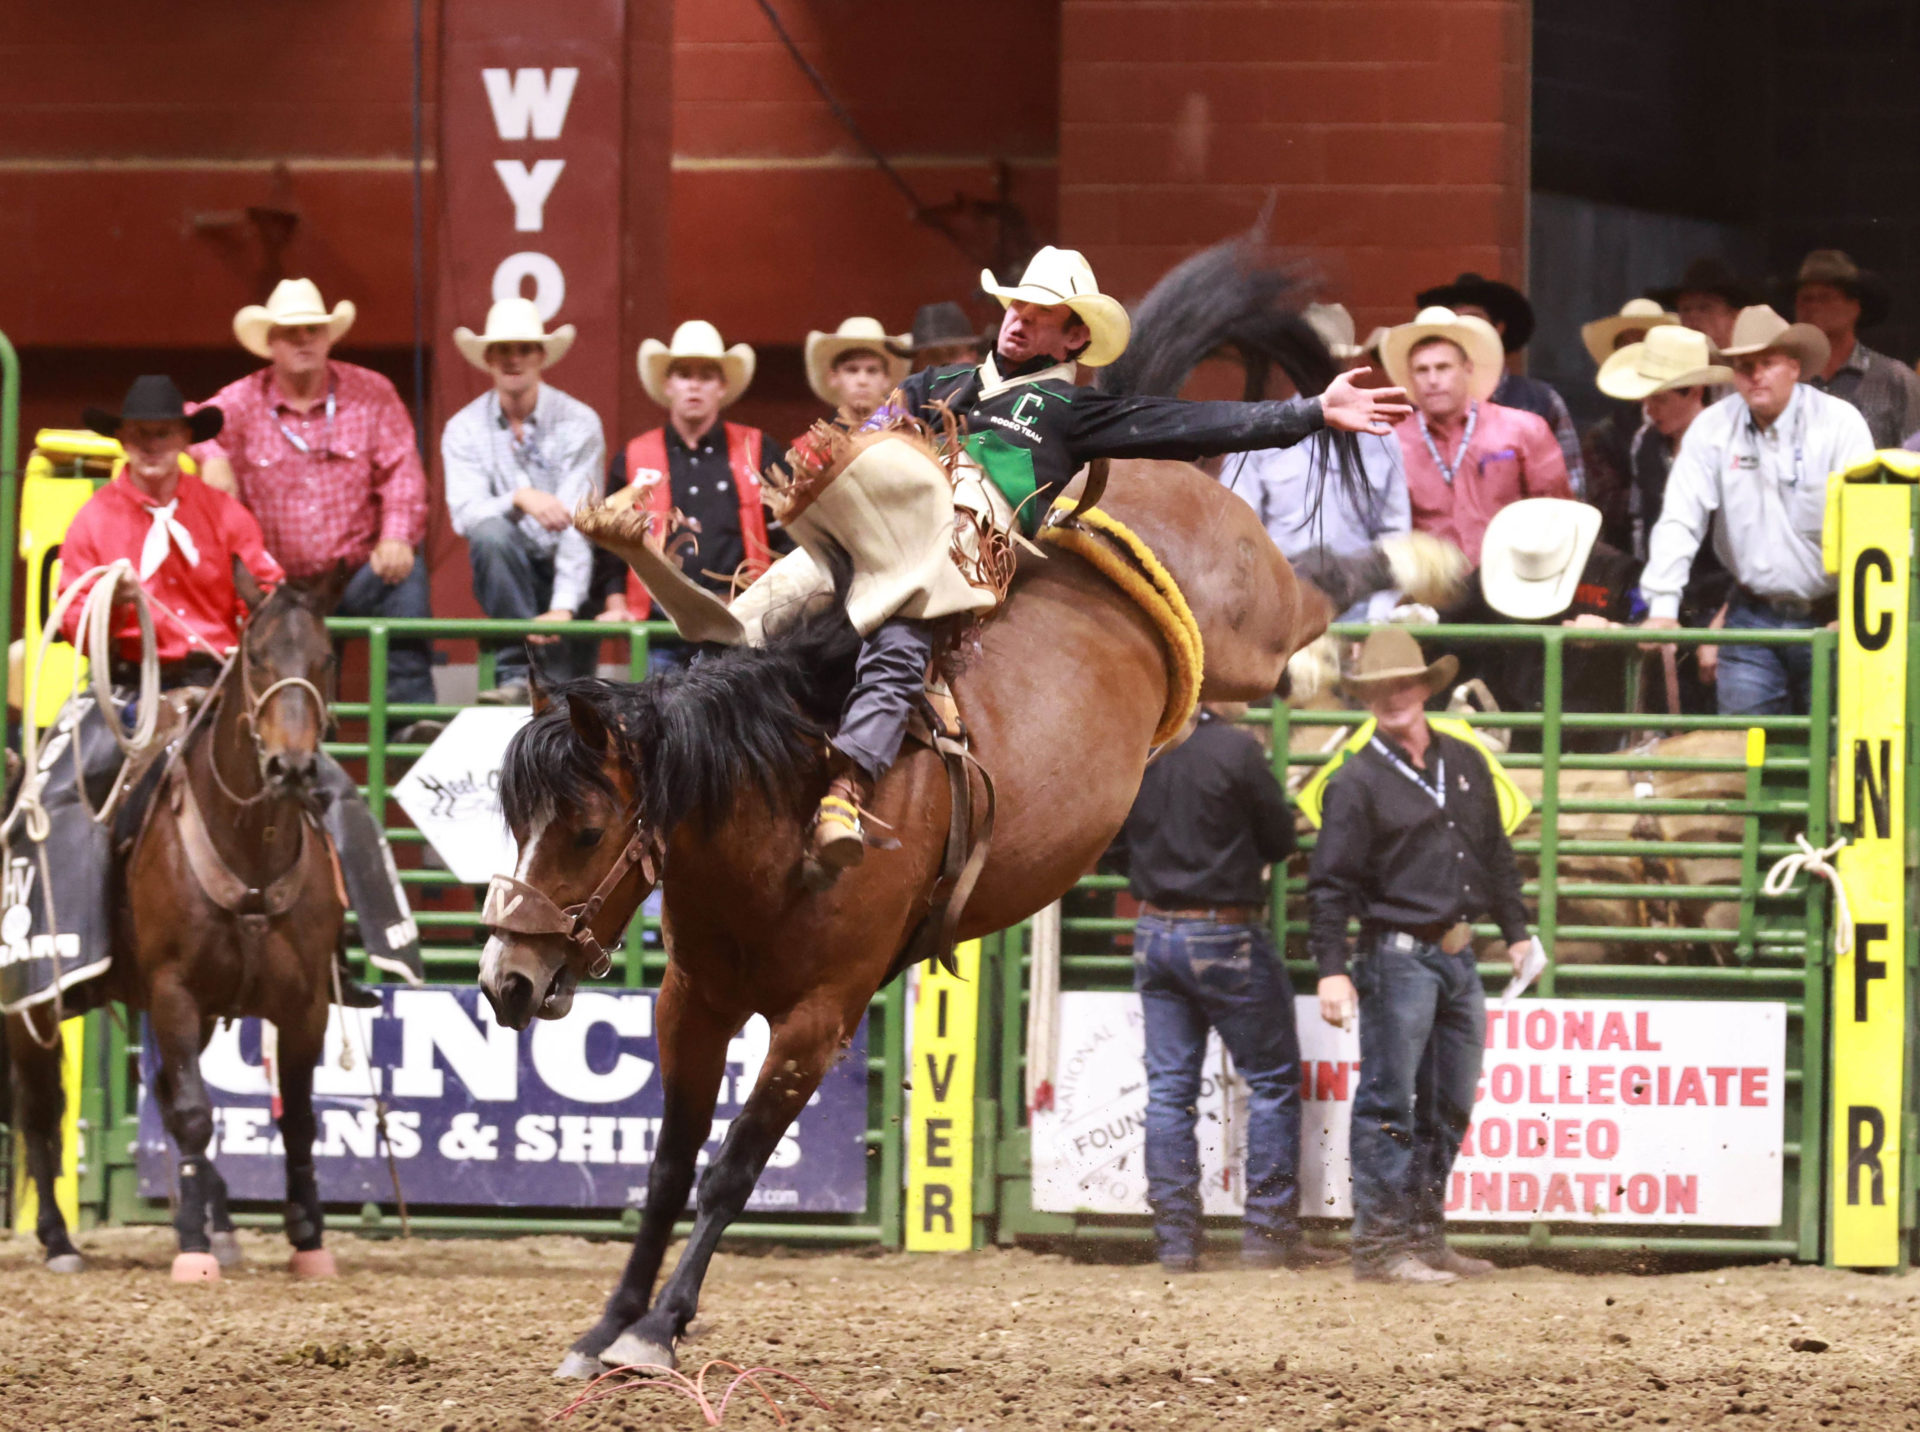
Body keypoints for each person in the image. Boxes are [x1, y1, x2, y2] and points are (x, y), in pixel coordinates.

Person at [802, 245, 1411, 879]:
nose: (1017, 321)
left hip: (955, 564)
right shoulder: (929, 387)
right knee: (763, 613)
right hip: (867, 544)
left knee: (900, 637)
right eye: (1017, 307)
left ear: (1073, 338)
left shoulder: (1070, 413)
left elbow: (1191, 423)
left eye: (1041, 316)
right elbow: (863, 444)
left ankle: (848, 788)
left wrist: (1310, 412)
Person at [2, 377, 421, 1015]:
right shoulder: (94, 520)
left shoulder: (224, 515)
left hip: (217, 682)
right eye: (140, 435)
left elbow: (270, 591)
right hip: (126, 686)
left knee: (330, 787)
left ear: (183, 441)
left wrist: (268, 614)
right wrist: (108, 602)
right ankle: (64, 955)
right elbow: (68, 614)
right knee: (56, 789)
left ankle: (338, 953)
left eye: (164, 434)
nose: (152, 446)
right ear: (123, 440)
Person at [1307, 627, 1536, 1285]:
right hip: (1399, 956)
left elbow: (1495, 854)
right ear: (1369, 699)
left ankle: (1423, 1236)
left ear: (1423, 688)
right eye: (1379, 689)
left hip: (1456, 958)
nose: (1392, 696)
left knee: (1447, 1103)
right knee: (1390, 1103)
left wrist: (1515, 930)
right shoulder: (1356, 781)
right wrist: (1331, 966)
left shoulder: (1463, 762)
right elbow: (1330, 883)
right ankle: (1381, 1249)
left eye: (1402, 684)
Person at [1108, 704, 1338, 1273]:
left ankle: (1177, 1243)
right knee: (1273, 1082)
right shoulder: (1234, 749)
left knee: (1168, 1092)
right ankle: (1266, 1234)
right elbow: (1279, 837)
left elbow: (1108, 841)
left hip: (1154, 927)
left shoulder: (1137, 747)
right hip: (1224, 929)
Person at [194, 278, 436, 715]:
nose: (304, 340)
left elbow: (402, 470)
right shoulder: (242, 400)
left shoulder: (372, 393)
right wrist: (209, 452)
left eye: (313, 330)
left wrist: (396, 535)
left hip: (356, 571)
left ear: (328, 338)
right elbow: (190, 417)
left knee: (405, 578)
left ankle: (411, 723)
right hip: (276, 585)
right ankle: (287, 746)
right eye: (291, 332)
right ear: (271, 344)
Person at [1639, 306, 1874, 717]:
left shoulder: (1840, 424)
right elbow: (1680, 517)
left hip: (1830, 614)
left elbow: (1867, 525)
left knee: (1836, 753)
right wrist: (1662, 608)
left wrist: (1854, 611)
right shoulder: (1712, 429)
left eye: (1767, 363)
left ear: (1794, 368)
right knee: (1746, 752)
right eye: (1744, 365)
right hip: (1751, 615)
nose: (1754, 374)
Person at [442, 298, 605, 703]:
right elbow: (465, 515)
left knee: (570, 700)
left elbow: (577, 523)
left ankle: (537, 677)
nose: (513, 359)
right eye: (502, 350)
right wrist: (519, 498)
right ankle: (518, 670)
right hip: (507, 573)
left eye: (524, 349)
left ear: (541, 356)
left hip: (571, 569)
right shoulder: (463, 428)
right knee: (491, 534)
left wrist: (565, 606)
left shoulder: (578, 422)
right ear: (488, 359)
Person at [1222, 302, 1411, 621]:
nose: (1321, 368)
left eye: (1331, 358)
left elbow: (1395, 534)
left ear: (1349, 361)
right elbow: (1238, 531)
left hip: (1361, 604)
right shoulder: (1259, 434)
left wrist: (1379, 614)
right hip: (1282, 604)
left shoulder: (1379, 436)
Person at [597, 321, 788, 633]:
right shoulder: (633, 456)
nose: (694, 385)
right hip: (657, 622)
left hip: (744, 618)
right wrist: (615, 604)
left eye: (706, 376)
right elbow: (610, 545)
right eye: (684, 375)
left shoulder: (758, 449)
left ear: (722, 386)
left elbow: (789, 536)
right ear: (668, 384)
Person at [1595, 325, 1733, 714]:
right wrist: (1652, 608)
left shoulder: (1728, 445)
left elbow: (1753, 546)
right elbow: (1646, 528)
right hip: (1670, 606)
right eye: (1645, 400)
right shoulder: (1646, 445)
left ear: (1693, 392)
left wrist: (1723, 625)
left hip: (1724, 603)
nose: (1648, 410)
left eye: (1658, 398)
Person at [1382, 307, 1572, 566]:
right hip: (1431, 586)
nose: (1433, 380)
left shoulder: (1522, 429)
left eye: (1443, 367)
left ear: (1468, 369)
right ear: (1411, 379)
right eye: (1422, 370)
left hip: (1512, 578)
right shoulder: (1393, 441)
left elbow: (1557, 514)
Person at [1416, 272, 1584, 494]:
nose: (1462, 331)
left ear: (1498, 329)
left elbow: (1571, 486)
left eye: (1473, 320)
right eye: (1453, 323)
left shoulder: (1540, 400)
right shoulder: (1426, 402)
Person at [1791, 249, 1920, 450]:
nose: (1813, 306)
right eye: (1806, 298)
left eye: (1825, 297)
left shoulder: (1895, 380)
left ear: (1855, 307)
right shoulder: (1786, 379)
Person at [1579, 299, 1680, 546]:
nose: (1636, 355)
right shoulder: (1604, 436)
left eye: (1643, 345)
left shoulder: (1698, 419)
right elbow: (1606, 506)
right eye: (1626, 347)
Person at [805, 317, 910, 427]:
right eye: (852, 370)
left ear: (887, 379)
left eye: (872, 371)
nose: (862, 381)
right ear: (833, 377)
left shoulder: (909, 441)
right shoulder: (815, 443)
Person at [1646, 257, 1757, 351]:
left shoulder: (1755, 370)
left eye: (1705, 308)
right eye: (1685, 309)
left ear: (1734, 317)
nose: (1693, 316)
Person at [889, 302, 985, 372]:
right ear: (919, 364)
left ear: (973, 355)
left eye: (953, 353)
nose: (945, 365)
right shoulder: (904, 398)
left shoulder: (995, 398)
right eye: (934, 356)